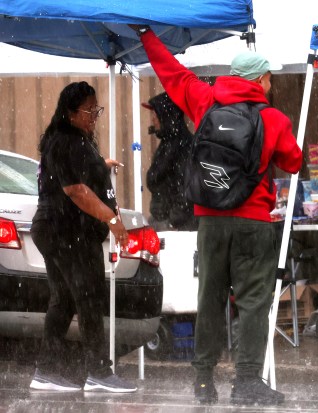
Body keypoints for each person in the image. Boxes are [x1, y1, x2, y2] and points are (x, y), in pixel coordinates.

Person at [130, 24, 303, 405]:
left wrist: (146, 35)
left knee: (210, 296)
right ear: (260, 79)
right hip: (253, 222)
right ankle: (246, 382)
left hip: (209, 219)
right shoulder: (272, 118)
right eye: (269, 76)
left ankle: (204, 379)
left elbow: (171, 73)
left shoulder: (205, 100)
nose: (271, 82)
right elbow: (293, 161)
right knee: (254, 300)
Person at [29, 81, 137, 393]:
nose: (94, 116)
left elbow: (75, 172)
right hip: (66, 230)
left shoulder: (73, 139)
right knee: (89, 296)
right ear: (70, 113)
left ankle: (46, 370)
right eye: (89, 111)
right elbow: (75, 190)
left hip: (61, 230)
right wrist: (112, 218)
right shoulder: (66, 141)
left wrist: (101, 165)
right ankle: (99, 372)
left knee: (63, 300)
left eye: (96, 110)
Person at [142, 92, 197, 231]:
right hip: (162, 222)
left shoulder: (183, 145)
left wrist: (172, 223)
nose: (153, 119)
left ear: (166, 116)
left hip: (179, 229)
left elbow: (186, 190)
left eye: (155, 115)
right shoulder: (168, 144)